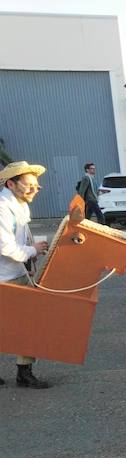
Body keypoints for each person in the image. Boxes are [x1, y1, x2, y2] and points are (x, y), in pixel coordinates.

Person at [0, 161, 51, 388]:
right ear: (11, 184)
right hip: (5, 277)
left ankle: (24, 372)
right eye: (29, 184)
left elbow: (21, 237)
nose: (35, 189)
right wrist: (33, 250)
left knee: (28, 323)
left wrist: (31, 254)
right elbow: (5, 247)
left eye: (37, 186)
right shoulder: (2, 207)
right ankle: (24, 374)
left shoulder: (18, 204)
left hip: (15, 273)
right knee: (24, 324)